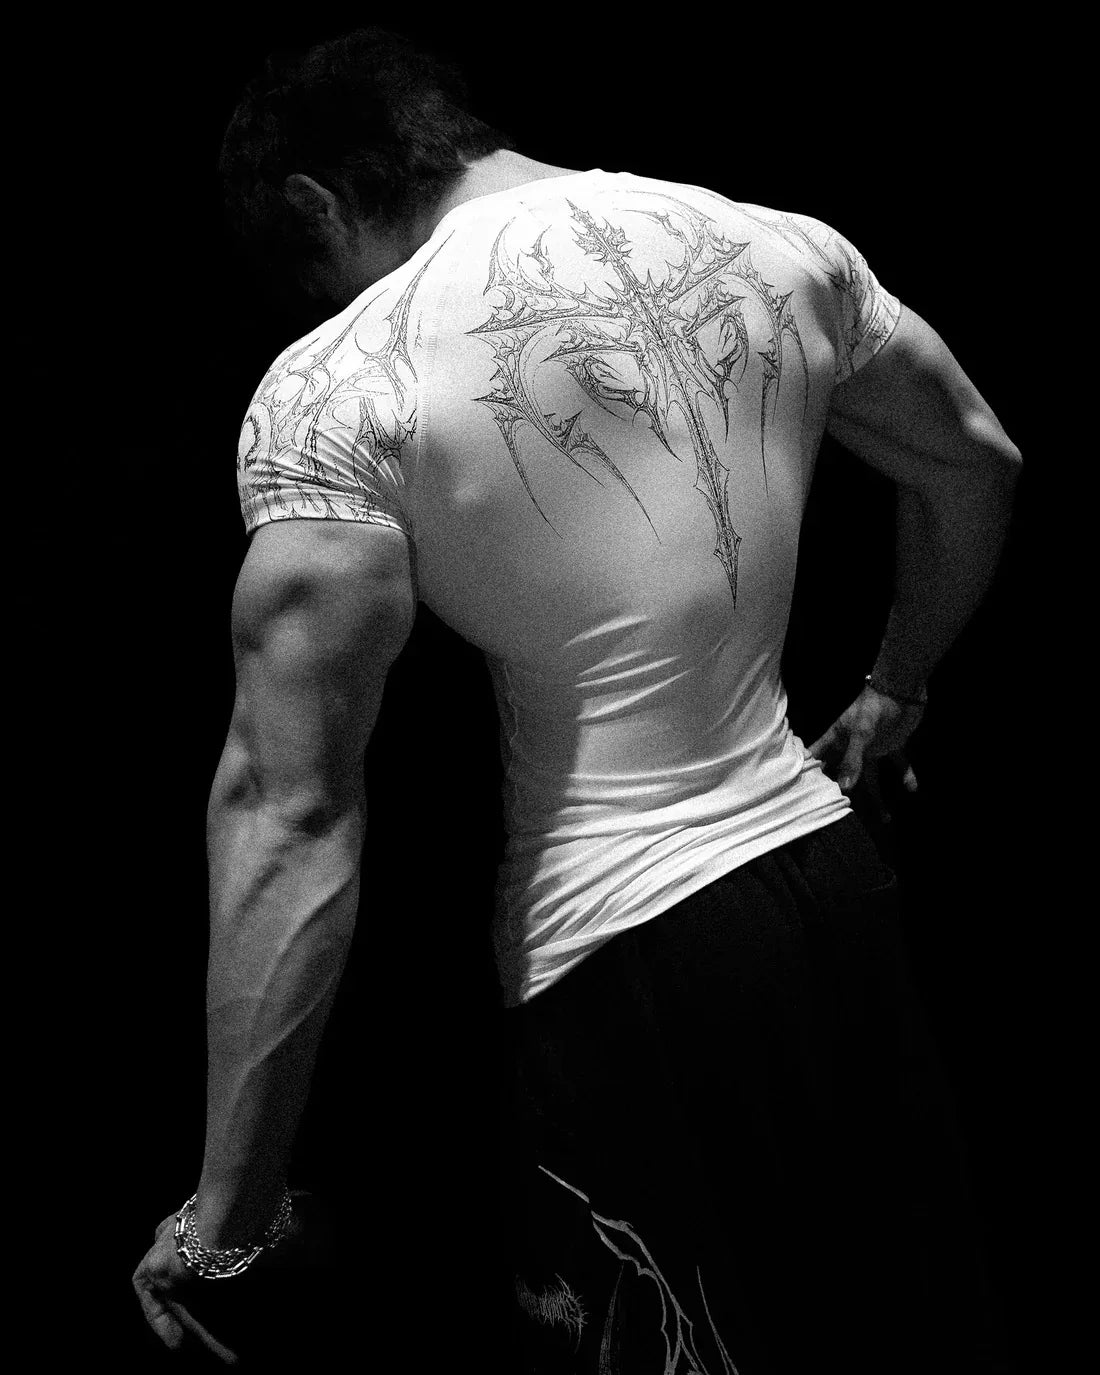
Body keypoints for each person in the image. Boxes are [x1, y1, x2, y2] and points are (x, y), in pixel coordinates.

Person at [131, 25, 1022, 1373]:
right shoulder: (778, 248)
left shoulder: (341, 388)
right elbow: (975, 462)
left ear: (313, 204)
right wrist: (896, 687)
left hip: (625, 965)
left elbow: (288, 814)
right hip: (834, 901)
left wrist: (227, 1219)